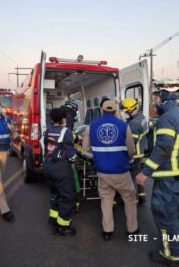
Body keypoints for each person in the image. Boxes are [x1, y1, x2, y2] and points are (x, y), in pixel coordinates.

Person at [136, 78, 179, 266]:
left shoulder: (167, 119)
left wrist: (145, 172)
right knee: (174, 213)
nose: (156, 101)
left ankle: (170, 255)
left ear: (165, 96)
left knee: (164, 215)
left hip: (170, 178)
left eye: (157, 97)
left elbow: (163, 148)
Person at [83, 98, 138, 241]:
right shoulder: (124, 126)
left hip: (102, 172)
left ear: (101, 110)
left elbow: (85, 150)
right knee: (129, 199)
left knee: (106, 201)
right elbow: (131, 150)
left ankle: (107, 231)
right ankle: (132, 230)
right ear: (115, 111)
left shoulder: (91, 126)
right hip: (121, 171)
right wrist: (130, 159)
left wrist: (97, 157)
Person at [43, 108, 77, 236]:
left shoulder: (48, 130)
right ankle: (63, 227)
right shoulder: (66, 131)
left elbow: (48, 146)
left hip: (48, 166)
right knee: (67, 197)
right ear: (63, 119)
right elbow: (70, 152)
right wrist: (75, 158)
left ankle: (53, 219)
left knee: (54, 193)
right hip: (61, 168)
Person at [120, 98, 148, 204]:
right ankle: (142, 197)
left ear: (130, 110)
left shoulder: (134, 123)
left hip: (135, 155)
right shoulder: (141, 117)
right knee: (138, 176)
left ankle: (132, 199)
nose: (125, 113)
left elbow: (131, 143)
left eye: (125, 111)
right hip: (141, 153)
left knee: (130, 178)